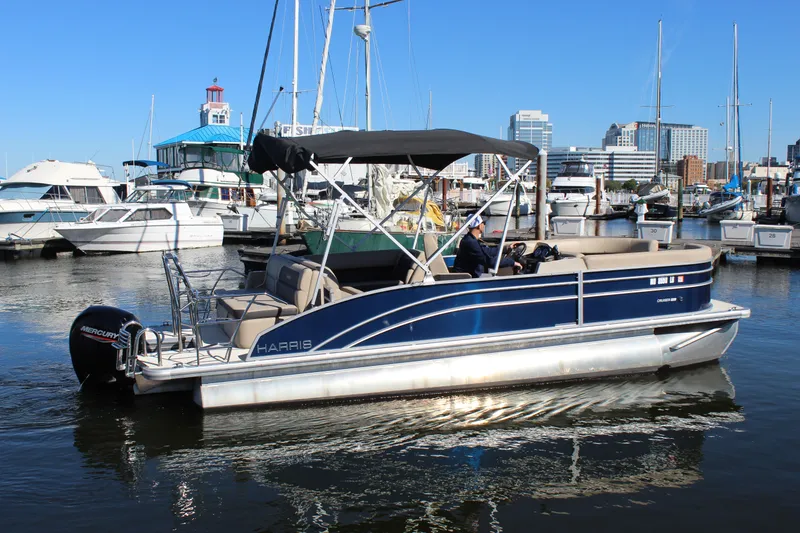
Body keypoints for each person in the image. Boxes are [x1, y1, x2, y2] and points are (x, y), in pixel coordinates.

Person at [453, 215, 522, 278]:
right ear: (479, 226)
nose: (484, 225)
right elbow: (489, 261)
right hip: (467, 279)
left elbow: (486, 251)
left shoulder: (469, 239)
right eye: (483, 223)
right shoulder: (470, 242)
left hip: (471, 276)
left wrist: (504, 249)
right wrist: (512, 262)